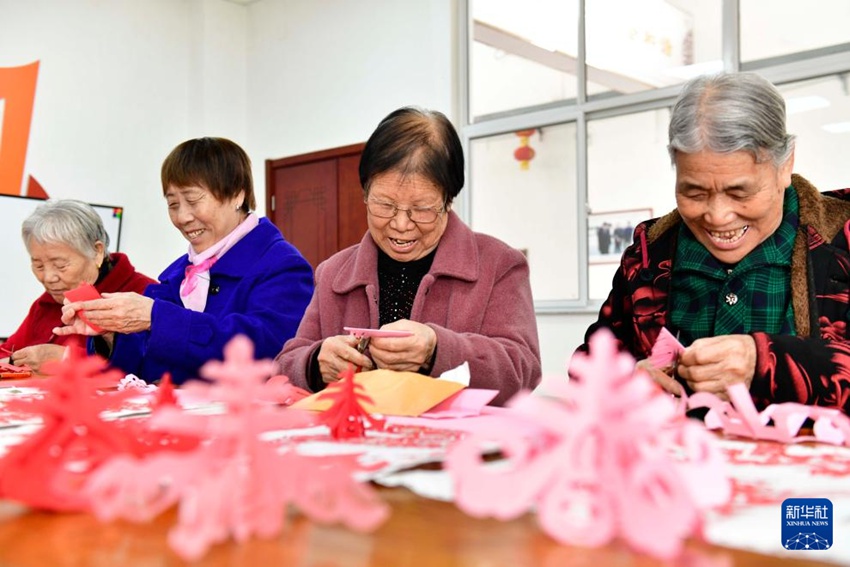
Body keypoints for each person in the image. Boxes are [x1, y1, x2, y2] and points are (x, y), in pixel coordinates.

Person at [577, 72, 850, 414]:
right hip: (677, 464)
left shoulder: (842, 241)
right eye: (694, 192)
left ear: (785, 165)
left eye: (740, 192)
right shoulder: (649, 255)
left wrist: (766, 363)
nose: (718, 217)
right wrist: (627, 383)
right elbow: (587, 368)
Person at [275, 107, 541, 406]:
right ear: (364, 194)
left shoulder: (499, 265)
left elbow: (523, 372)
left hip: (456, 448)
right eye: (384, 205)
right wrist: (315, 364)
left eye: (422, 209)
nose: (401, 224)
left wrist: (437, 351)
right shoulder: (334, 273)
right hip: (355, 445)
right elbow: (284, 368)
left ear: (448, 200)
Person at [55, 137, 314, 384]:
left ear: (237, 194)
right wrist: (110, 335)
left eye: (192, 200)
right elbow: (146, 363)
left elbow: (269, 353)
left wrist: (157, 319)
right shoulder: (179, 275)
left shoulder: (282, 266)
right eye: (173, 204)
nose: (183, 217)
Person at [0, 200, 155, 372]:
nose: (48, 278)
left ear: (97, 252)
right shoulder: (47, 303)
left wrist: (68, 358)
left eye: (60, 265)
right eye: (38, 266)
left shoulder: (144, 294)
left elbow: (155, 369)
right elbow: (7, 351)